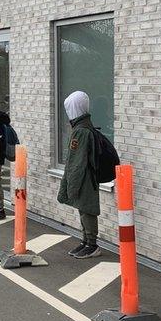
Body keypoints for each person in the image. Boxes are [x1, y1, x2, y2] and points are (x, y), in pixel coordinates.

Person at [57, 91, 101, 259]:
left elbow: (76, 161)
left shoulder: (80, 131)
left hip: (85, 177)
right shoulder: (85, 127)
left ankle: (92, 243)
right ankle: (86, 241)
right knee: (83, 209)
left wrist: (70, 184)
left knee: (87, 209)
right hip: (87, 176)